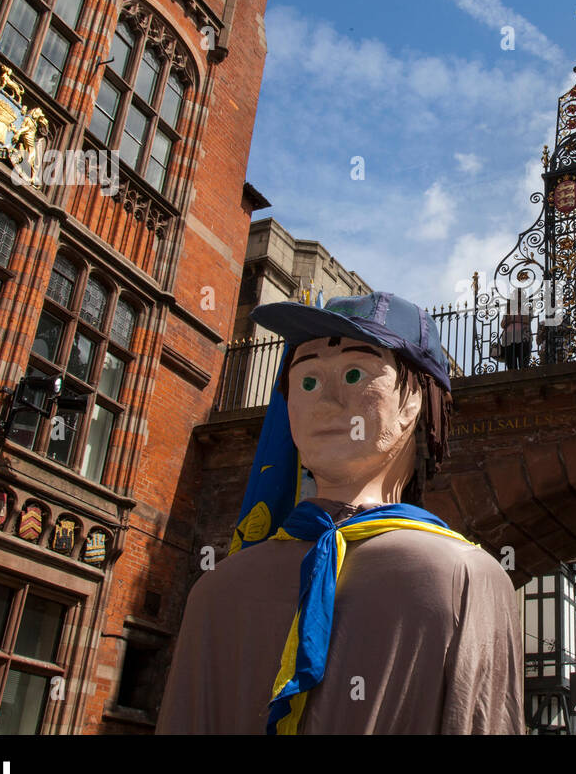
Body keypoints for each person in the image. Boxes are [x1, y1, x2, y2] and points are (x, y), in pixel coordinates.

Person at [157, 291, 524, 734]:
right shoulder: (468, 577)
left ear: (416, 403)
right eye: (307, 381)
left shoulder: (215, 588)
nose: (325, 403)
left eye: (355, 374)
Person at [500, 288, 533, 369]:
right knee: (511, 365)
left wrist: (511, 319)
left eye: (520, 295)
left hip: (524, 336)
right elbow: (503, 324)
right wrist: (517, 317)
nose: (517, 297)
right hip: (508, 338)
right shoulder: (509, 308)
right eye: (516, 295)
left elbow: (527, 319)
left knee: (524, 365)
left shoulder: (527, 307)